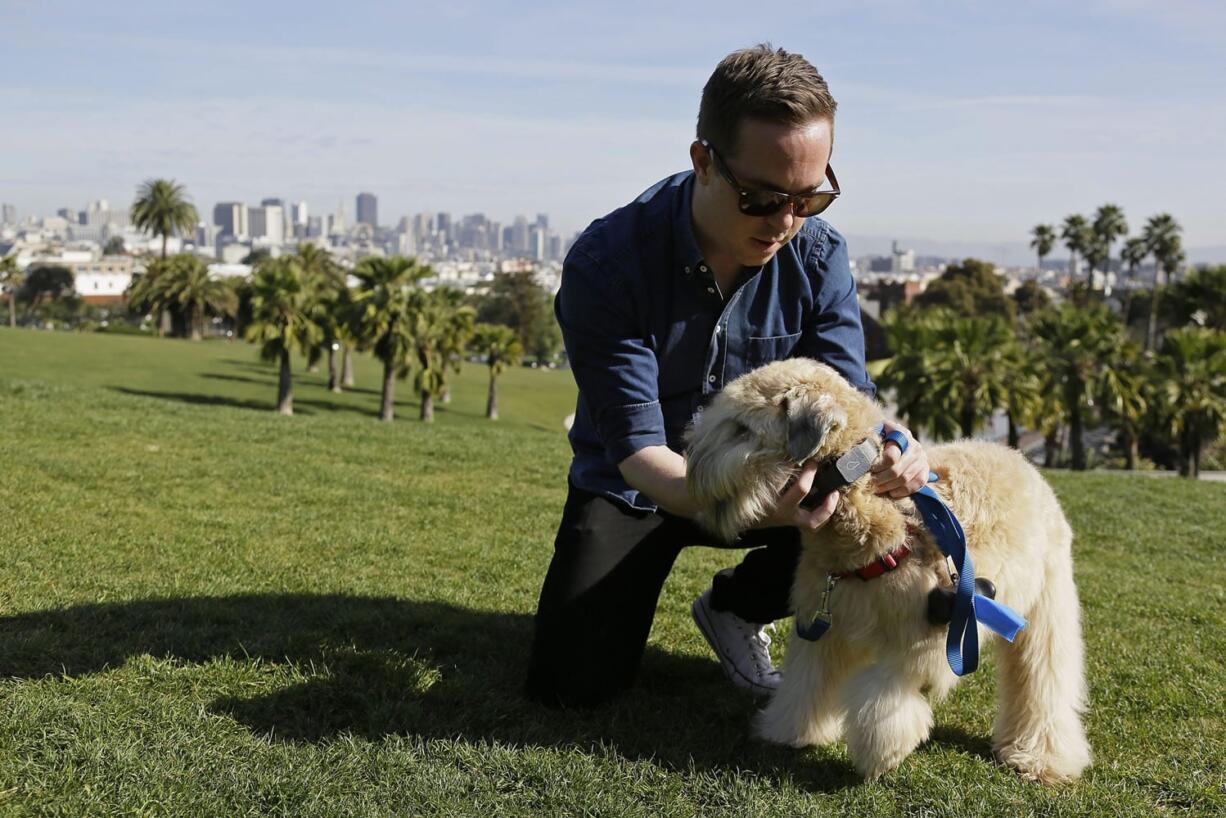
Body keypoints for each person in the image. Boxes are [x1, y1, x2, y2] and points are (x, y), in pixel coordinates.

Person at [525, 44, 929, 708]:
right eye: (762, 198)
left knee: (887, 509)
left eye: (811, 197)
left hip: (779, 484)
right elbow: (634, 451)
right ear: (704, 161)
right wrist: (749, 502)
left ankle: (739, 607)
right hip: (642, 488)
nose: (785, 224)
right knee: (572, 687)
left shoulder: (819, 255)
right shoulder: (609, 262)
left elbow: (848, 402)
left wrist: (892, 449)